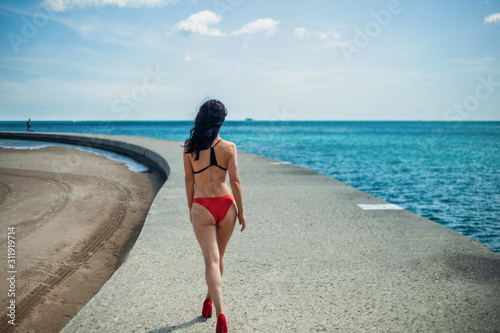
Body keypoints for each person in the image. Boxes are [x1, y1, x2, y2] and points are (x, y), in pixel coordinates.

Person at [184, 99, 246, 333]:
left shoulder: (190, 146)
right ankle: (209, 301)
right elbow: (236, 182)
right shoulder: (229, 147)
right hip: (226, 206)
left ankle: (221, 314)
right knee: (218, 259)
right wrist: (241, 212)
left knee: (212, 261)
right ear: (220, 122)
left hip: (202, 206)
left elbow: (189, 180)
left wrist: (190, 207)